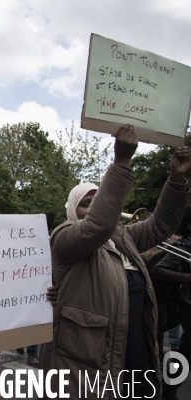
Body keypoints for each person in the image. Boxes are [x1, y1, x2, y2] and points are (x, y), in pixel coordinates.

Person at [40, 124, 191, 399]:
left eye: (99, 201)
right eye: (87, 203)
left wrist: (176, 180)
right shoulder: (63, 237)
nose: (94, 208)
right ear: (73, 209)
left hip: (135, 360)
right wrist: (122, 161)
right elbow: (96, 227)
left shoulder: (122, 237)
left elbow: (161, 226)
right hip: (90, 369)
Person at [149, 207, 191, 399]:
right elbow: (158, 270)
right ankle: (169, 389)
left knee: (185, 350)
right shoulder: (183, 247)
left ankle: (169, 389)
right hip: (187, 305)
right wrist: (188, 277)